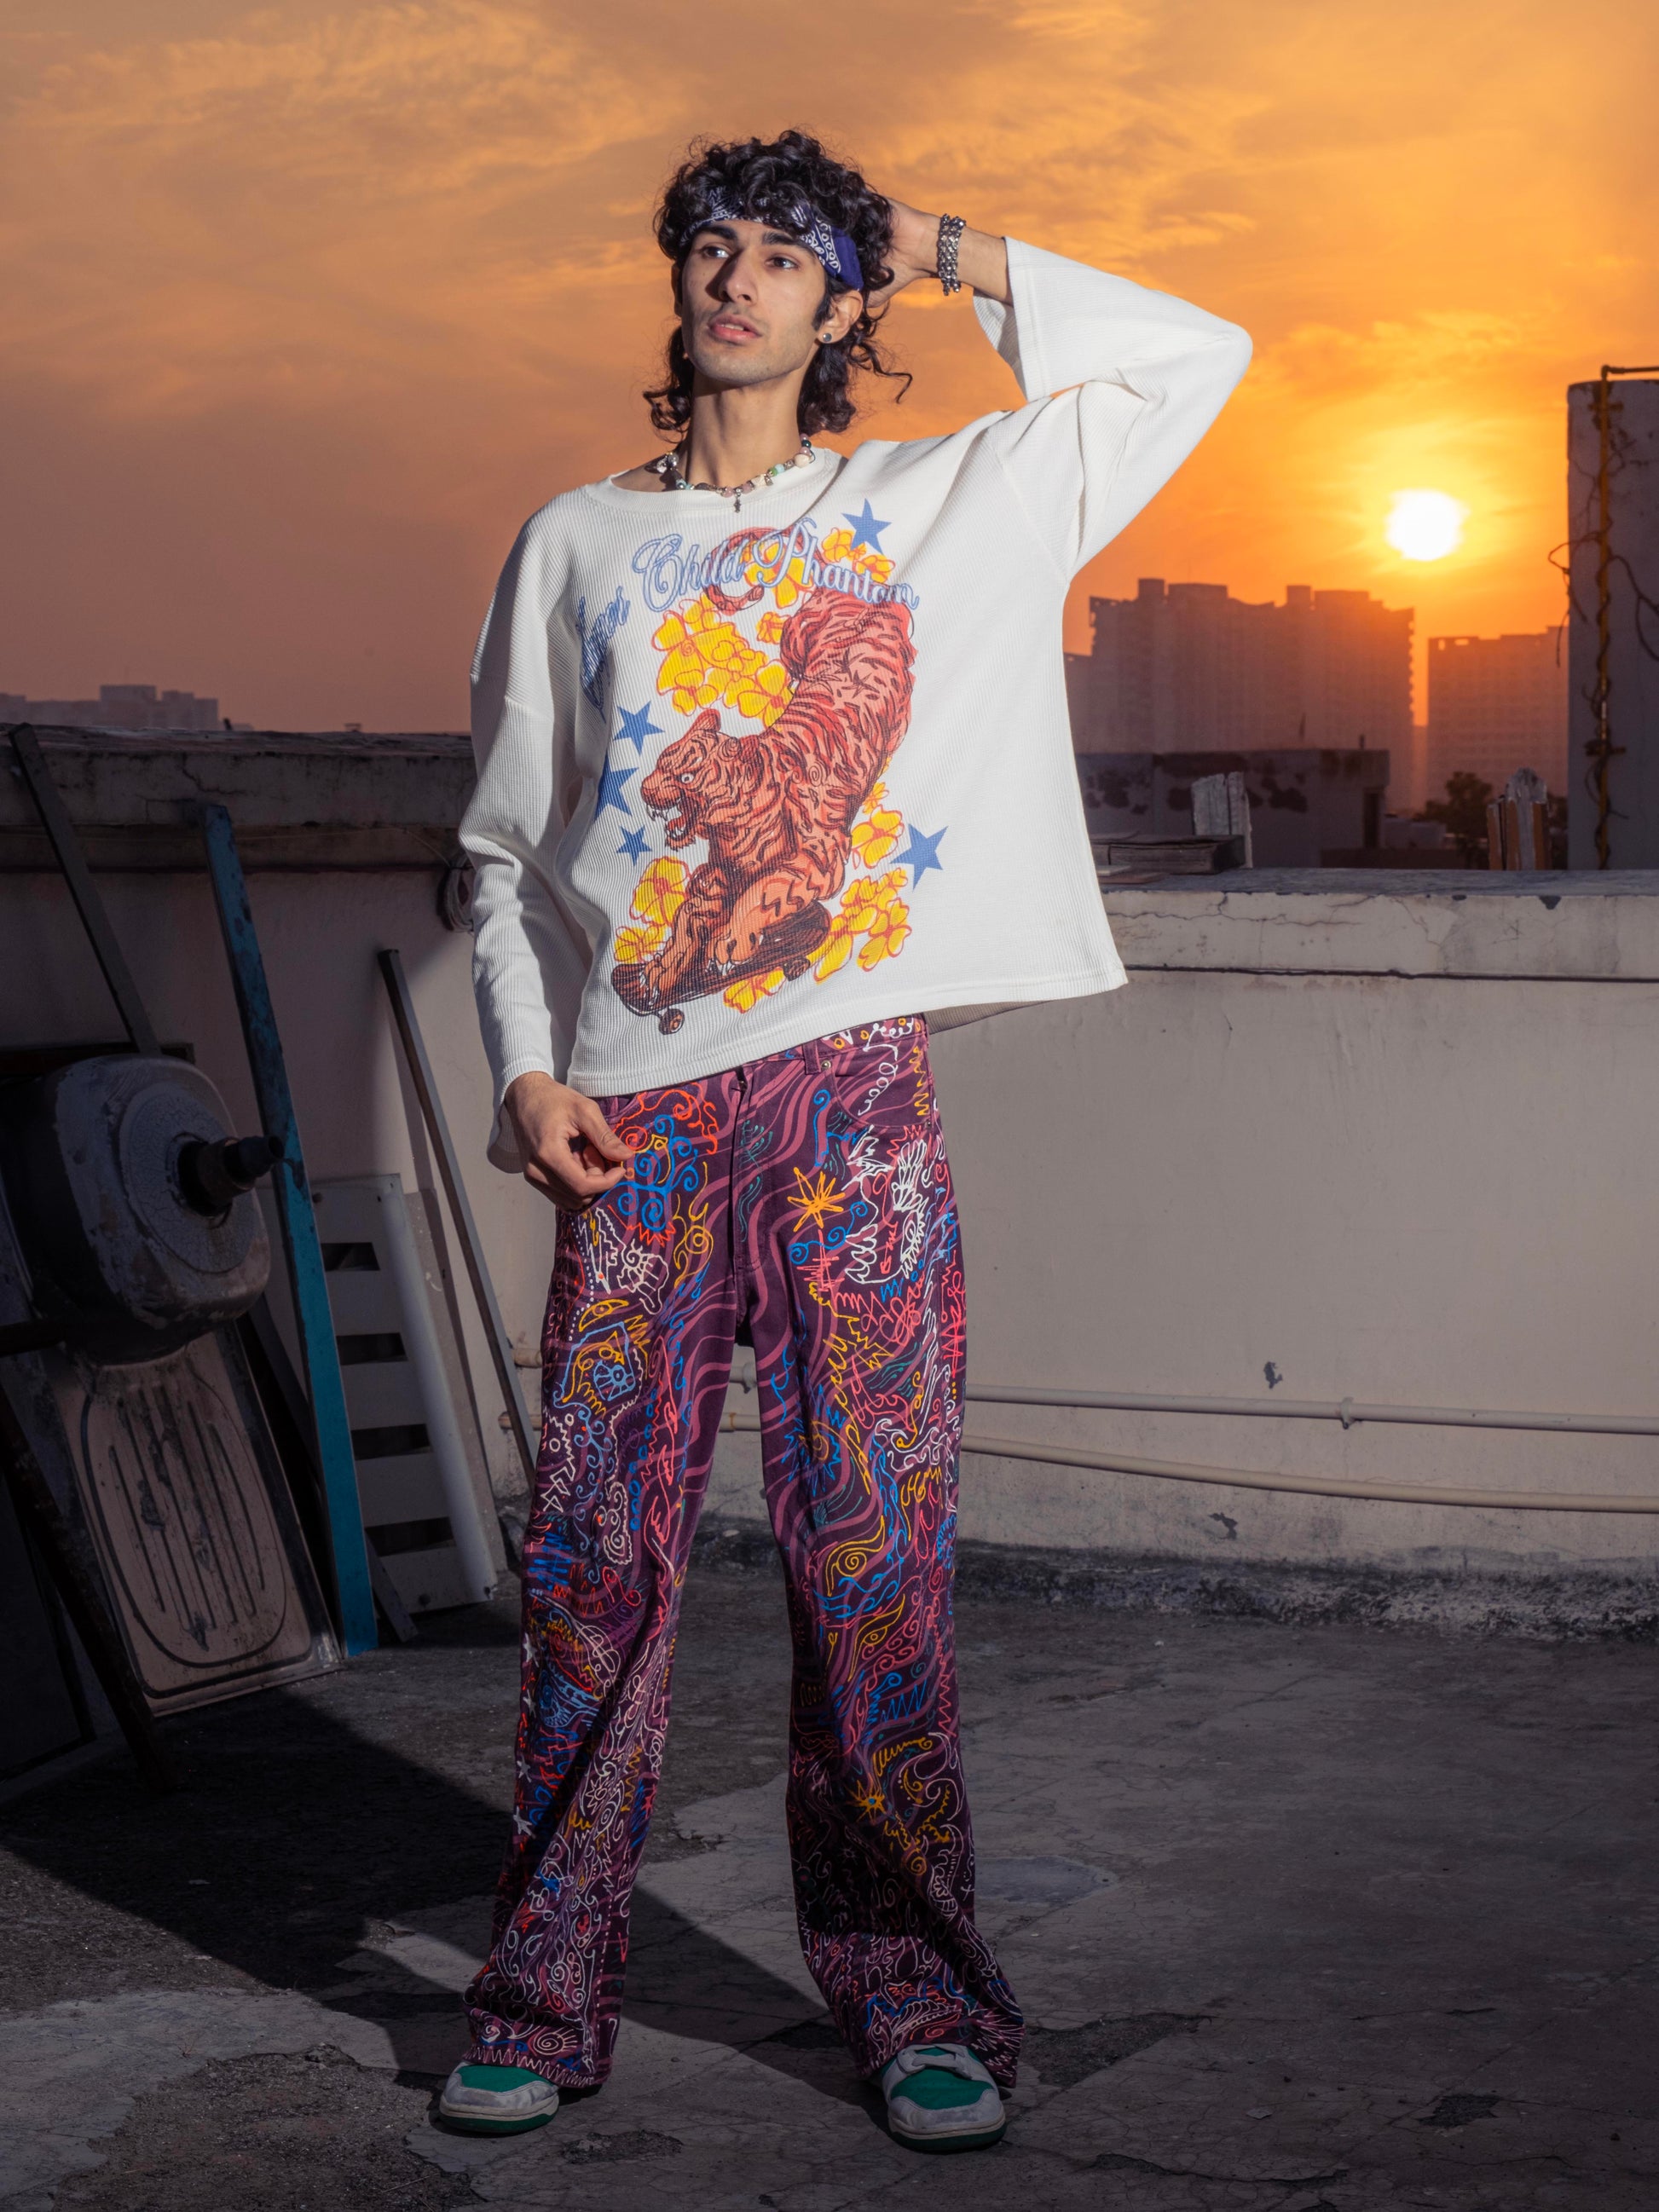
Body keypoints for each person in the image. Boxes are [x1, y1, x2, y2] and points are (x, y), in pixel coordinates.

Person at [439, 127, 1249, 2153]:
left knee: (870, 1563)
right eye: (710, 246)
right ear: (676, 283)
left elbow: (1194, 356)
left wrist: (946, 242)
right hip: (635, 1117)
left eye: (787, 256)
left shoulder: (939, 499)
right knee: (593, 1566)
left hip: (848, 1103)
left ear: (836, 302)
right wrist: (527, 1069)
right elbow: (504, 852)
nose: (737, 278)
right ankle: (542, 1994)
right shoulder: (575, 542)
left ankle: (915, 1996)